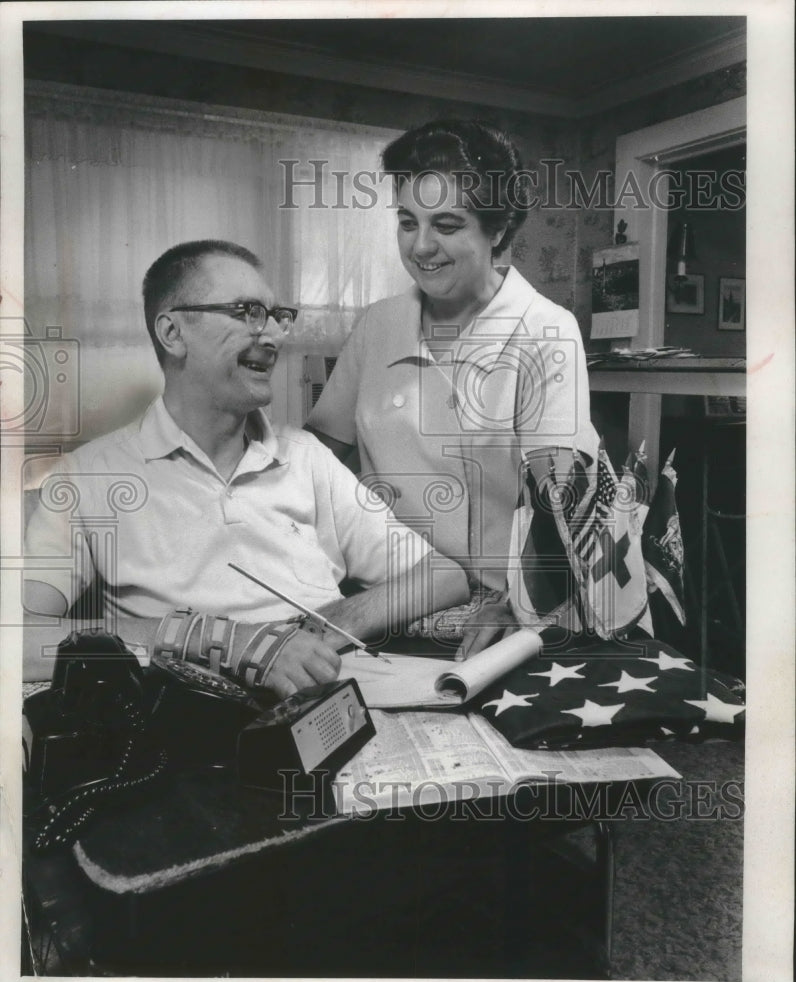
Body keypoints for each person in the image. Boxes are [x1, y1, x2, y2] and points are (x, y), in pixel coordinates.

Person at [23, 240, 469, 693]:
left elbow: (444, 575)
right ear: (173, 333)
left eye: (277, 316)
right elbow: (16, 638)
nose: (274, 336)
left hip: (342, 698)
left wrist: (325, 627)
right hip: (198, 724)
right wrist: (222, 641)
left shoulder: (306, 456)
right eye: (247, 311)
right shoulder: (85, 477)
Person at [306, 120, 599, 654]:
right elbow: (316, 460)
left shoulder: (544, 329)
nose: (421, 247)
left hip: (490, 613)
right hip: (380, 600)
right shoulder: (378, 324)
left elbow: (559, 500)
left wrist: (518, 604)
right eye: (406, 222)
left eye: (446, 224)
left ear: (499, 230)